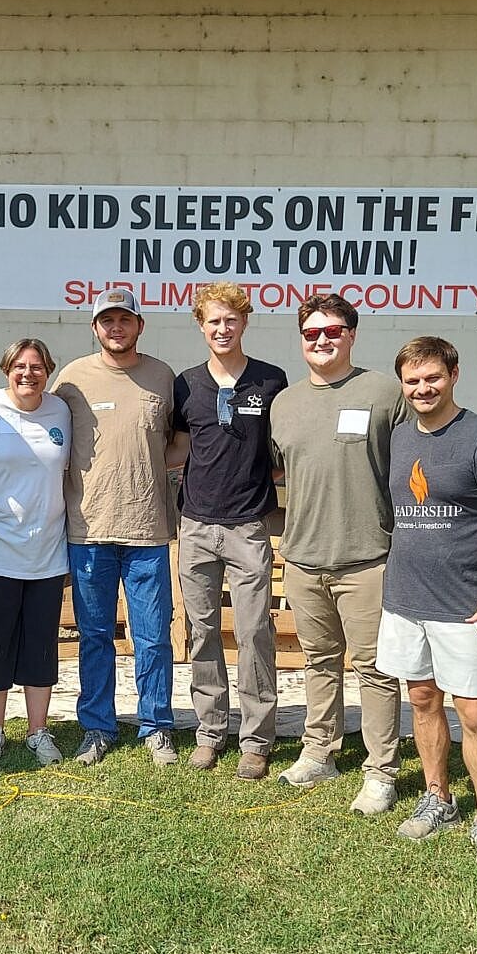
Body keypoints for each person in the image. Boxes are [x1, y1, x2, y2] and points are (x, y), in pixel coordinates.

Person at [377, 337, 477, 872]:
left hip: (465, 605)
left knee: (475, 713)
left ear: (454, 374)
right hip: (405, 599)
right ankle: (438, 798)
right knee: (421, 699)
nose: (422, 388)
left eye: (432, 378)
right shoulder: (396, 439)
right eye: (412, 380)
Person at [269, 293, 409, 814]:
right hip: (303, 556)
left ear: (351, 334)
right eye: (311, 333)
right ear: (301, 339)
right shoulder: (285, 402)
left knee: (374, 668)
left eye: (332, 331)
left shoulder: (384, 392)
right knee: (318, 661)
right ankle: (319, 751)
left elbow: (411, 467)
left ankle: (380, 771)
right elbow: (280, 469)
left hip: (368, 556)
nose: (322, 340)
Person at [52, 288, 179, 766]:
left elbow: (178, 441)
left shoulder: (162, 377)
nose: (116, 328)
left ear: (139, 325)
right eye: (107, 320)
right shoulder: (72, 381)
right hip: (90, 529)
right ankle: (97, 727)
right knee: (95, 634)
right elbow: (39, 424)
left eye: (125, 319)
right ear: (95, 328)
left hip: (147, 529)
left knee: (152, 634)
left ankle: (156, 726)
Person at [172, 282, 287, 781]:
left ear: (245, 323)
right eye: (213, 321)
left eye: (231, 320)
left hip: (247, 525)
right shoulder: (187, 384)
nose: (222, 329)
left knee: (254, 631)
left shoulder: (270, 380)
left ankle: (257, 739)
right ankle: (210, 730)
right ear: (201, 325)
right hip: (196, 524)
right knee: (200, 632)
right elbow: (176, 448)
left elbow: (283, 450)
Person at [0, 338, 71, 768]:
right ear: (6, 369)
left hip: (46, 553)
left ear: (48, 370)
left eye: (37, 366)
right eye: (20, 366)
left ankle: (38, 732)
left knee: (41, 645)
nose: (28, 373)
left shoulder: (61, 410)